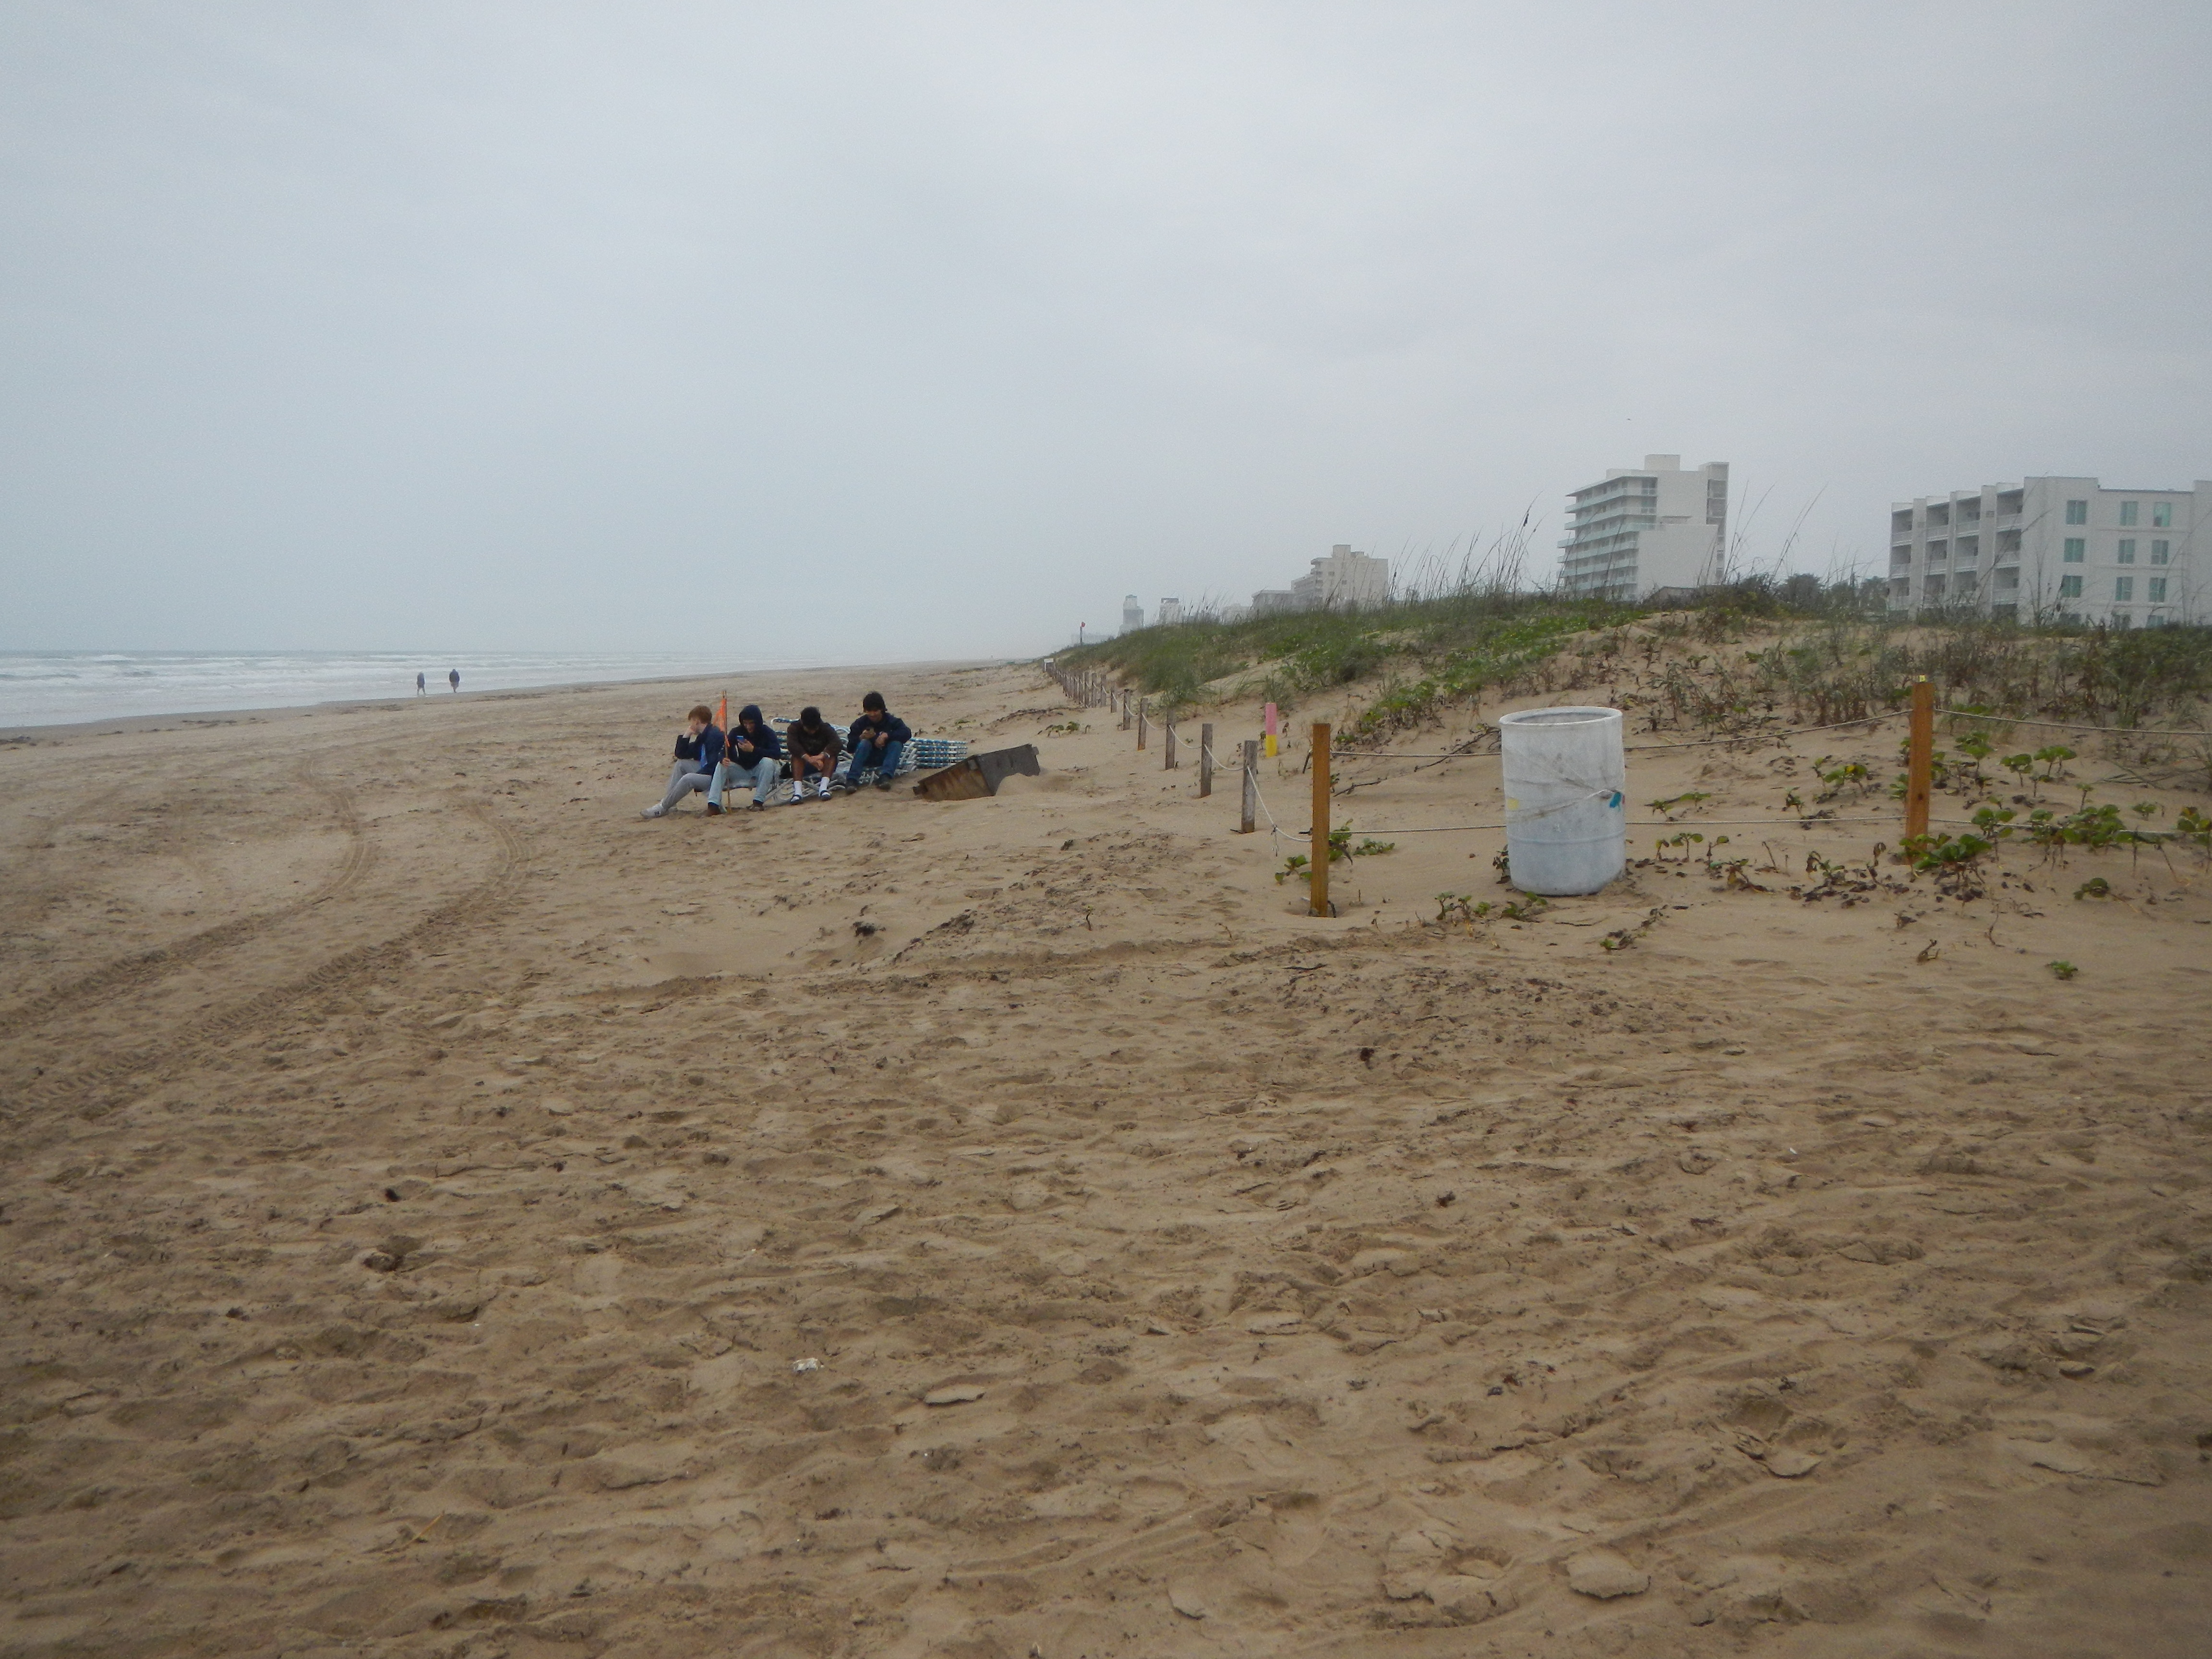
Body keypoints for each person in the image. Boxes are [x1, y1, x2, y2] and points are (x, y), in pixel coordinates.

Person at [642, 704, 724, 818]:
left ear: (696, 721)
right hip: (708, 770)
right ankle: (670, 806)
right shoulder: (704, 736)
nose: (691, 725)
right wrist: (687, 735)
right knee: (681, 764)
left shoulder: (714, 736)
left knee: (689, 778)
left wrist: (698, 775)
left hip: (716, 776)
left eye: (692, 722)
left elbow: (714, 765)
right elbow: (682, 754)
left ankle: (662, 807)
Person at [708, 704, 783, 814]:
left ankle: (758, 802)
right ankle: (713, 805)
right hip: (743, 768)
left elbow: (777, 754)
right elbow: (724, 750)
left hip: (760, 770)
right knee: (721, 765)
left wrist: (754, 750)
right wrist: (723, 758)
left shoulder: (767, 733)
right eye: (746, 723)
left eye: (751, 723)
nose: (748, 726)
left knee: (768, 762)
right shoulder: (737, 732)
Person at [844, 692, 912, 792]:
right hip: (866, 757)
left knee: (897, 744)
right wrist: (861, 738)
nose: (872, 714)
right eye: (869, 711)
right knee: (865, 743)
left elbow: (907, 733)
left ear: (882, 710)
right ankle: (852, 780)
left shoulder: (891, 721)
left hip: (886, 757)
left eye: (875, 711)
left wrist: (887, 736)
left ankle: (885, 777)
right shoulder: (860, 723)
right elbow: (850, 748)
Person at [783, 707, 842, 802]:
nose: (812, 732)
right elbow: (792, 745)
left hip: (823, 764)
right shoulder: (794, 728)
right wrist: (809, 758)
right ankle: (798, 793)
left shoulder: (825, 728)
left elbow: (837, 743)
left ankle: (823, 789)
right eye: (809, 729)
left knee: (831, 755)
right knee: (797, 756)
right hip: (803, 765)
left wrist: (821, 756)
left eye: (814, 729)